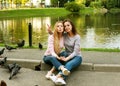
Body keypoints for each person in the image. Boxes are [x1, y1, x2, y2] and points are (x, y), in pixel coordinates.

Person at [47, 19, 82, 85]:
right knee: (60, 59)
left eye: (68, 25)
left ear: (72, 26)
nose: (66, 27)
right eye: (65, 26)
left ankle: (58, 77)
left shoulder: (77, 37)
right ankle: (59, 77)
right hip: (66, 54)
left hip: (76, 57)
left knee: (69, 64)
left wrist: (66, 59)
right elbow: (56, 34)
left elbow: (75, 52)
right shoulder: (64, 35)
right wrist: (50, 32)